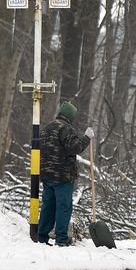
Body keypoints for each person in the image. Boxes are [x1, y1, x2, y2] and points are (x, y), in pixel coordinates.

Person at [36, 100, 92, 246]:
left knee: (48, 206)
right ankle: (61, 240)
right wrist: (87, 138)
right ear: (70, 116)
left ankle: (41, 237)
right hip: (63, 175)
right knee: (63, 206)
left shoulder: (46, 128)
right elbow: (75, 147)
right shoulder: (65, 128)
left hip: (47, 175)